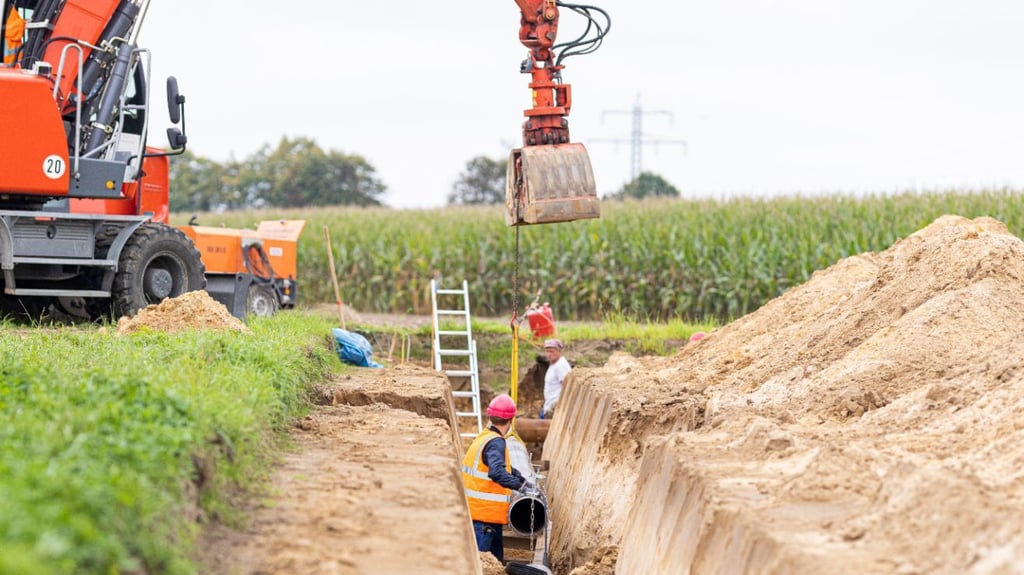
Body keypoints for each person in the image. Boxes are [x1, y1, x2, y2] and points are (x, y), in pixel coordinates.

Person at [462, 394, 533, 562]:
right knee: (484, 565)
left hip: (481, 516)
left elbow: (500, 466)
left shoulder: (484, 437)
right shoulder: (496, 442)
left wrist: (521, 479)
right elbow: (496, 472)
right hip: (484, 519)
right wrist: (520, 487)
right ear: (510, 420)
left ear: (490, 416)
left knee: (494, 564)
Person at [540, 339, 571, 419]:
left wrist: (556, 406)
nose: (549, 354)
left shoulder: (561, 366)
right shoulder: (554, 365)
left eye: (552, 351)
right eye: (547, 351)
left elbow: (567, 387)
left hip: (555, 410)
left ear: (559, 351)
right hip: (548, 407)